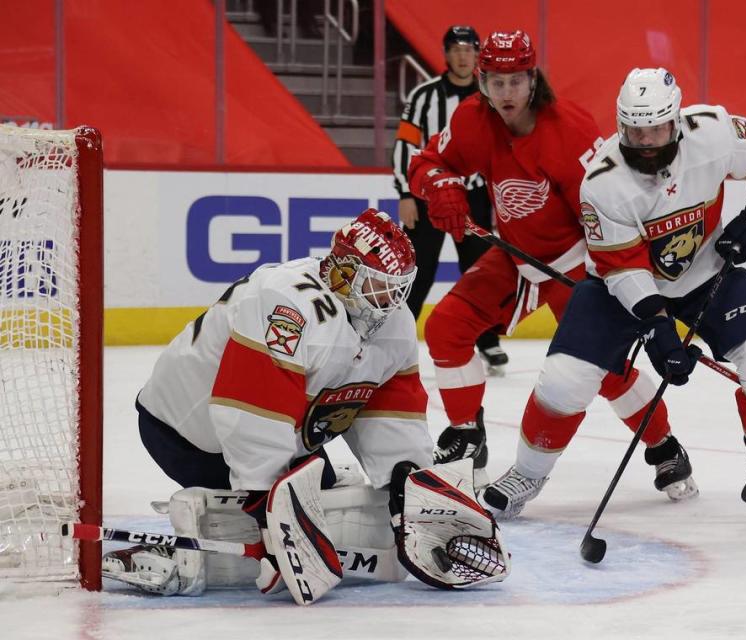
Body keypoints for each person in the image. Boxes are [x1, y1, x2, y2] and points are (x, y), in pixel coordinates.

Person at [100, 209, 508, 603]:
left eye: (398, 287)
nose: (392, 299)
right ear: (344, 274)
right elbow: (252, 405)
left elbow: (389, 406)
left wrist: (403, 477)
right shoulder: (288, 302)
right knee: (272, 525)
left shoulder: (391, 320)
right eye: (380, 285)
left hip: (282, 427)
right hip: (186, 428)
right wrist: (262, 500)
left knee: (321, 506)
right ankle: (181, 558)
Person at [484, 67, 746, 522]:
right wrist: (658, 328)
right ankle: (527, 474)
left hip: (705, 271)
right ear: (620, 125)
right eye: (635, 130)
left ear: (675, 122)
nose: (646, 140)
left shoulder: (713, 132)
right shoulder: (603, 181)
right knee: (563, 380)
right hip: (618, 287)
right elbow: (623, 268)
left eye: (655, 128)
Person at [408, 32, 698, 514]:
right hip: (516, 257)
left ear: (532, 79)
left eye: (515, 80)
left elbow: (608, 205)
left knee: (605, 370)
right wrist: (442, 187)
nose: (505, 92)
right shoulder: (473, 120)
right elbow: (428, 162)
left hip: (580, 262)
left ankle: (665, 446)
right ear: (481, 80)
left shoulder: (569, 130)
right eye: (495, 81)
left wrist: (615, 278)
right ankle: (466, 435)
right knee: (446, 327)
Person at [392, 25, 509, 372]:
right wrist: (405, 193)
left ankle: (488, 340)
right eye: (456, 49)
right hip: (428, 195)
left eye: (469, 49)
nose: (463, 56)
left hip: (474, 197)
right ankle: (396, 341)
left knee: (482, 272)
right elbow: (405, 146)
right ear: (445, 54)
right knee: (416, 272)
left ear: (477, 55)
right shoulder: (423, 96)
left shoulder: (490, 97)